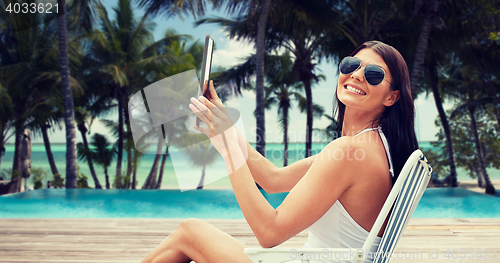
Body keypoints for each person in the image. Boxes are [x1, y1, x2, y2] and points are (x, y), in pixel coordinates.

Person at [141, 40, 418, 263]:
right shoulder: (371, 146)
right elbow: (273, 179)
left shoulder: (349, 151)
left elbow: (269, 232)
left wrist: (227, 150)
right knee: (191, 233)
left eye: (373, 74)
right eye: (352, 64)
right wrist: (229, 130)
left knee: (190, 233)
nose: (357, 74)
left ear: (392, 96)